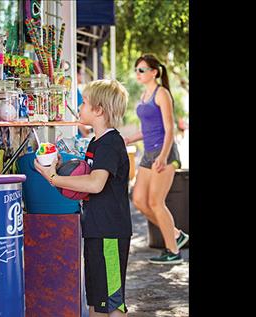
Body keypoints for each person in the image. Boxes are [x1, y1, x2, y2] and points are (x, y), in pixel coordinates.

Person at [34, 79, 132, 317]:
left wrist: (53, 177)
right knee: (98, 300)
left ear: (98, 110)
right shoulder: (96, 142)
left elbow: (95, 184)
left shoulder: (110, 143)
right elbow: (84, 180)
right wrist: (58, 166)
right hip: (96, 230)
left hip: (109, 232)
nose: (79, 107)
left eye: (84, 103)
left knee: (112, 302)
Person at [124, 54, 189, 265]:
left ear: (154, 72)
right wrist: (128, 138)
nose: (138, 74)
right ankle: (176, 235)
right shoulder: (145, 95)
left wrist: (162, 157)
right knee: (139, 201)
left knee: (155, 202)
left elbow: (169, 129)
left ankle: (174, 251)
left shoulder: (162, 94)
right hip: (149, 154)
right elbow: (148, 130)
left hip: (165, 154)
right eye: (137, 70)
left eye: (142, 70)